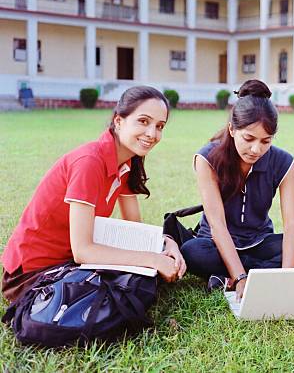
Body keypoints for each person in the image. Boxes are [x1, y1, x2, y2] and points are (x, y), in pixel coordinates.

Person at [2, 86, 186, 304]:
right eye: (143, 121)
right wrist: (152, 259)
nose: (152, 134)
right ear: (118, 121)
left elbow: (134, 229)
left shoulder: (126, 163)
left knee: (137, 283)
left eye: (159, 126)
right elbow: (83, 251)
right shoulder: (90, 162)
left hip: (69, 263)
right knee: (128, 290)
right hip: (32, 274)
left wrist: (167, 244)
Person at [181, 80, 294, 299]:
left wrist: (287, 275)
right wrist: (241, 278)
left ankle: (228, 277)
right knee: (191, 251)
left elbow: (292, 224)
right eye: (249, 138)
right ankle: (247, 274)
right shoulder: (207, 158)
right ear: (232, 129)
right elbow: (216, 224)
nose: (256, 149)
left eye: (266, 141)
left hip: (260, 242)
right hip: (216, 244)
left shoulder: (284, 162)